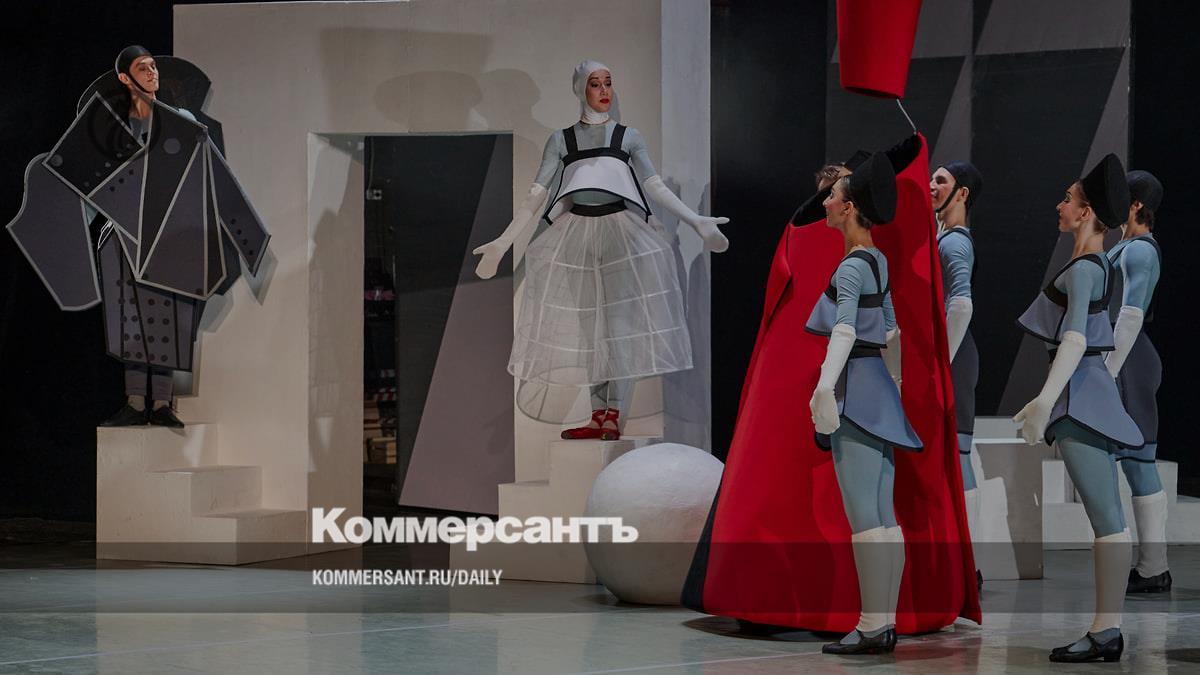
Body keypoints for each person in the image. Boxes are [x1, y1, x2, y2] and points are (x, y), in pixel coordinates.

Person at [473, 60, 729, 440]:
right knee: (591, 328)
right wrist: (504, 241)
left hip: (619, 233)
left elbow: (653, 185)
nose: (604, 90)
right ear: (581, 89)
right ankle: (597, 415)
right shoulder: (561, 140)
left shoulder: (627, 137)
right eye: (595, 84)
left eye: (608, 83)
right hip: (576, 233)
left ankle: (613, 413)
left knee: (618, 326)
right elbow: (537, 195)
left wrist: (695, 220)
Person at [1014, 153, 1144, 663]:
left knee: (1107, 518)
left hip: (1080, 397)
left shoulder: (1087, 267)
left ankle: (1107, 631)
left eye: (1068, 199)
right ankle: (1106, 629)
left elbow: (1073, 339)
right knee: (1108, 517)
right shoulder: (1096, 264)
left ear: (1087, 212)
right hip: (1085, 391)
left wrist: (1046, 400)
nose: (1060, 206)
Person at [808, 152, 921, 654]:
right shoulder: (877, 258)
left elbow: (846, 330)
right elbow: (891, 329)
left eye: (832, 196)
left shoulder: (853, 265)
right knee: (882, 514)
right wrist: (893, 388)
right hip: (878, 389)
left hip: (855, 387)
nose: (825, 203)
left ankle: (873, 625)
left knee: (864, 515)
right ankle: (883, 622)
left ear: (849, 207)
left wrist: (824, 388)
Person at [1105, 170, 1169, 594]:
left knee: (1139, 460)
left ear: (1135, 205)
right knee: (1132, 461)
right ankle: (1150, 566)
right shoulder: (1124, 246)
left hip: (1129, 361)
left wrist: (1108, 370)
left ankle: (1153, 568)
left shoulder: (1140, 250)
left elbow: (1130, 315)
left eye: (1119, 196)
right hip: (1124, 359)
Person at [930, 160, 983, 586]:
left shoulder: (955, 244)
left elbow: (961, 304)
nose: (932, 185)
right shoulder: (943, 237)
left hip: (955, 360)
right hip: (949, 358)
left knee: (959, 458)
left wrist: (940, 365)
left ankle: (972, 565)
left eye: (941, 180)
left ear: (961, 193)